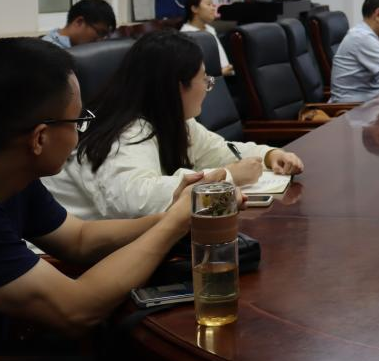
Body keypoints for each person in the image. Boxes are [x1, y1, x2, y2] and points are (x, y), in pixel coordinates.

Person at [0, 38, 202, 361]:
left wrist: (170, 216)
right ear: (40, 138)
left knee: (119, 359)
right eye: (77, 122)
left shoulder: (9, 173)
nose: (81, 134)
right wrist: (175, 224)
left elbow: (78, 239)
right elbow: (76, 309)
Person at [43, 31, 303, 221]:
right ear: (179, 86)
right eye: (205, 80)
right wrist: (226, 177)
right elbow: (138, 201)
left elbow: (219, 150)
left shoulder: (172, 120)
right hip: (66, 261)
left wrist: (269, 155)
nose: (209, 87)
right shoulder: (125, 132)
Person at [180, 0, 234, 76]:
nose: (213, 8)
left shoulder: (210, 29)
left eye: (213, 5)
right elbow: (191, 73)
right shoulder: (186, 35)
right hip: (212, 80)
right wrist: (220, 73)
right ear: (194, 9)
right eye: (208, 4)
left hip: (226, 76)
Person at [42, 0, 117, 48]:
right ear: (79, 22)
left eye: (105, 36)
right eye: (100, 33)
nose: (100, 40)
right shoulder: (47, 51)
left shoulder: (81, 49)